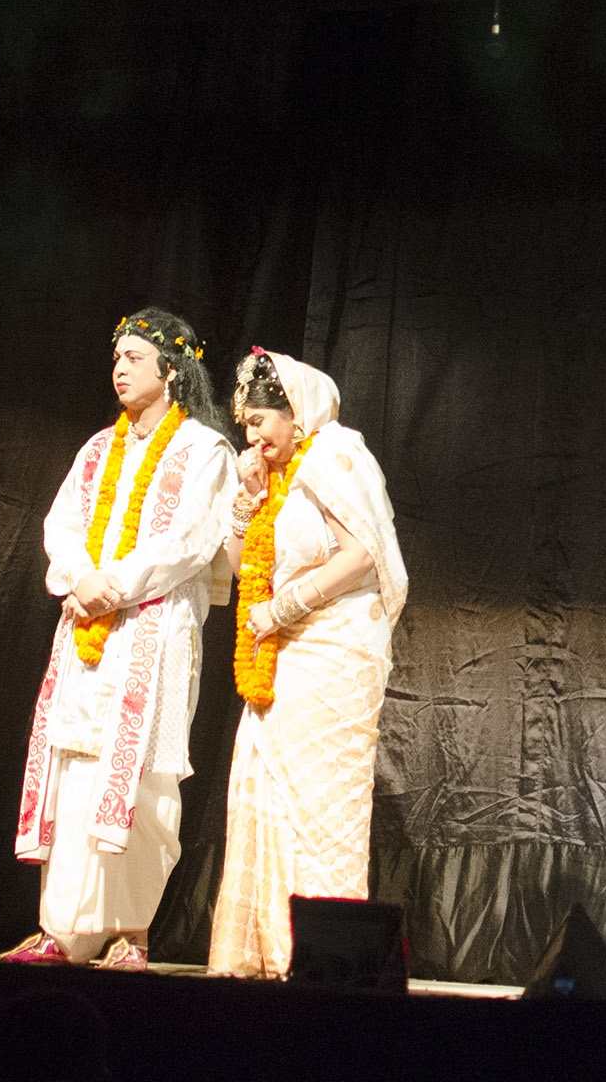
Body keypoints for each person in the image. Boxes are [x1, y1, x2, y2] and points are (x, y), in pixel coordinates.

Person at [3, 308, 237, 969]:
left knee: (144, 779)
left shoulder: (204, 451)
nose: (120, 368)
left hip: (154, 633)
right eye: (116, 358)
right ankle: (61, 932)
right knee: (73, 769)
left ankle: (129, 933)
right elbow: (62, 525)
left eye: (134, 358)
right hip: (86, 625)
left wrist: (117, 584)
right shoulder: (97, 448)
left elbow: (190, 539)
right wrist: (80, 580)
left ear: (172, 370)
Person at [207, 349, 406, 978]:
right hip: (282, 653)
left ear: (298, 416)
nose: (253, 435)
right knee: (259, 794)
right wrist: (246, 497)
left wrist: (285, 607)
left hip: (335, 656)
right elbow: (246, 572)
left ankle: (321, 963)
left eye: (261, 420)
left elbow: (365, 557)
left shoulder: (337, 458)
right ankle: (260, 956)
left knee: (321, 808)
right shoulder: (278, 474)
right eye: (246, 426)